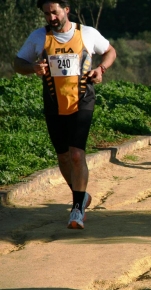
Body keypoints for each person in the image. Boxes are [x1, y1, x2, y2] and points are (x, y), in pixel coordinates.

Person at [14, 0, 117, 229]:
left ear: (66, 10)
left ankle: (77, 210)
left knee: (77, 155)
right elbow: (18, 62)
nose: (51, 17)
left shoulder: (87, 33)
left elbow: (110, 51)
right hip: (53, 101)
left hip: (82, 99)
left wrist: (101, 69)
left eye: (55, 11)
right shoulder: (38, 37)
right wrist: (32, 68)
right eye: (46, 13)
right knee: (63, 156)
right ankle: (81, 196)